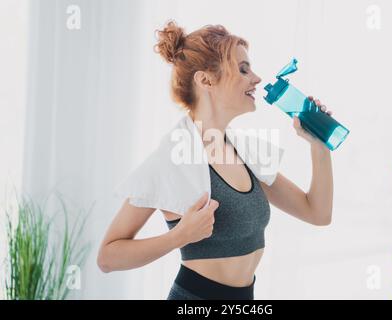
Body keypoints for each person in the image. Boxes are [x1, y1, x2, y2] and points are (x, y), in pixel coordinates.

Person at [97, 20, 334, 300]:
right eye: (243, 69)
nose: (256, 78)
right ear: (206, 80)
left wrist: (318, 146)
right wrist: (177, 237)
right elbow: (108, 258)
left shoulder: (247, 154)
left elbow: (317, 213)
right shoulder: (172, 159)